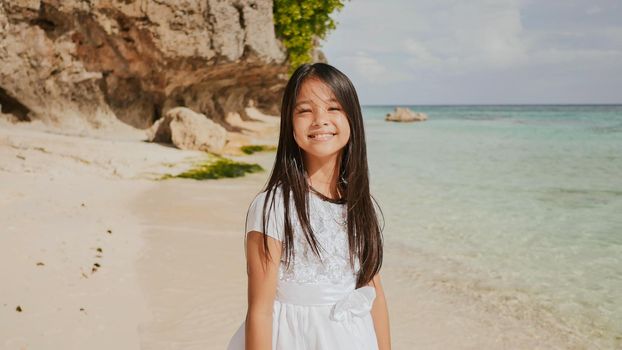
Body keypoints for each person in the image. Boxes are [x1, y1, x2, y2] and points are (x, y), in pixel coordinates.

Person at [227, 63, 391, 350]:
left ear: (352, 119)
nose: (320, 120)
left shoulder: (360, 206)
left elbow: (374, 295)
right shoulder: (274, 206)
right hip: (296, 340)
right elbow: (260, 312)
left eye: (333, 108)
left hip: (355, 339)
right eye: (305, 111)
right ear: (290, 125)